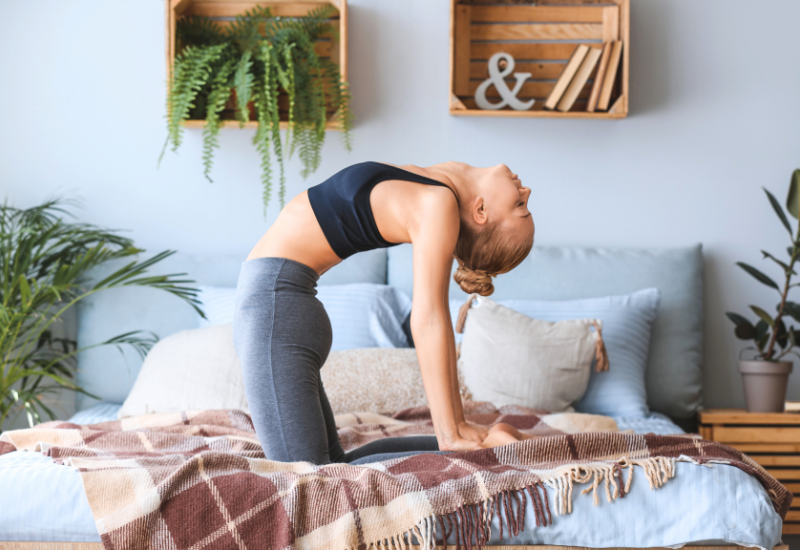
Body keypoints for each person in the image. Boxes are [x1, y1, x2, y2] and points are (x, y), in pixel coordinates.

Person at [233, 161, 534, 465]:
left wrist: (452, 432)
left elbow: (430, 319)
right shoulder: (439, 187)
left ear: (481, 212)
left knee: (308, 478)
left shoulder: (437, 205)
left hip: (274, 311)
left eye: (519, 204)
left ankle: (484, 451)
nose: (527, 190)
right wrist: (457, 428)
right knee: (331, 467)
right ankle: (484, 446)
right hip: (281, 308)